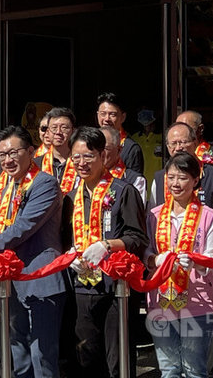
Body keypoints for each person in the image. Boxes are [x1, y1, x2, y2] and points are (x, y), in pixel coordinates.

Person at [0, 125, 65, 378]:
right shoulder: (6, 184)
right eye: (2, 154)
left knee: (42, 356)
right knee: (18, 355)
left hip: (40, 279)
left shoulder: (44, 183)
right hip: (11, 280)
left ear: (31, 151)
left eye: (13, 152)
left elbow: (22, 228)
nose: (7, 159)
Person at [65, 128, 148, 378]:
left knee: (117, 359)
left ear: (103, 155)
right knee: (86, 357)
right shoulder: (70, 196)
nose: (82, 163)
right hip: (81, 287)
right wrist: (71, 256)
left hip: (116, 288)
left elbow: (138, 238)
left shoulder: (123, 191)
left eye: (88, 157)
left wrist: (108, 245)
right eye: (76, 157)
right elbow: (63, 239)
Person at [144, 152, 213, 378]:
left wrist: (197, 262)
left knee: (194, 368)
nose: (175, 184)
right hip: (161, 299)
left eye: (182, 177)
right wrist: (156, 259)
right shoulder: (154, 215)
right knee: (168, 369)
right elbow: (146, 251)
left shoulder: (208, 215)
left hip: (197, 300)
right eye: (171, 177)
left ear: (196, 181)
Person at [149, 122, 213, 249]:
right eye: (173, 143)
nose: (178, 148)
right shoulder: (159, 178)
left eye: (183, 142)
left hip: (203, 254)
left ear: (195, 143)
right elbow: (152, 218)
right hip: (166, 256)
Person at [95, 92, 144, 173]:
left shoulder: (131, 149)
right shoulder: (90, 143)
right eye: (103, 114)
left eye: (112, 114)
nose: (107, 119)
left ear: (123, 117)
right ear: (97, 115)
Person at [35, 107, 78, 194]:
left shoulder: (81, 163)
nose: (58, 132)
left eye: (64, 128)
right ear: (48, 132)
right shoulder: (36, 164)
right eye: (54, 128)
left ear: (73, 131)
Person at [101, 126, 147, 203]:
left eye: (106, 148)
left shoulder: (135, 180)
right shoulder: (86, 177)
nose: (101, 152)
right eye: (97, 148)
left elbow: (134, 212)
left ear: (119, 150)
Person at [132, 109, 163, 179]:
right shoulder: (134, 138)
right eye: (146, 124)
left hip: (158, 178)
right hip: (140, 178)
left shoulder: (162, 138)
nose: (148, 127)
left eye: (151, 123)